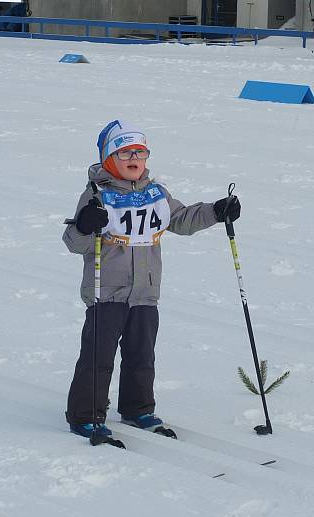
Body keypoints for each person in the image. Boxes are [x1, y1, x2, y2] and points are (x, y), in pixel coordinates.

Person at [62, 121, 241, 439]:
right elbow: (76, 243)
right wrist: (86, 225)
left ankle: (137, 408)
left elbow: (182, 220)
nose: (134, 158)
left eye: (140, 152)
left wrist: (217, 211)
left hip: (145, 290)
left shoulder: (156, 194)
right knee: (98, 355)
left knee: (141, 353)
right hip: (107, 290)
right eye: (125, 152)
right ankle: (85, 414)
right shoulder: (97, 195)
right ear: (108, 159)